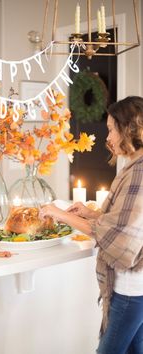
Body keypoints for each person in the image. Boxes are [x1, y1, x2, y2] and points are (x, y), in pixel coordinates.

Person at [39, 96, 143, 354]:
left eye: (111, 129)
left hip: (132, 290)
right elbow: (126, 221)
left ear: (128, 129)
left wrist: (60, 214)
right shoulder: (135, 167)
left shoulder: (138, 173)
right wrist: (89, 213)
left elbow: (121, 237)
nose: (108, 137)